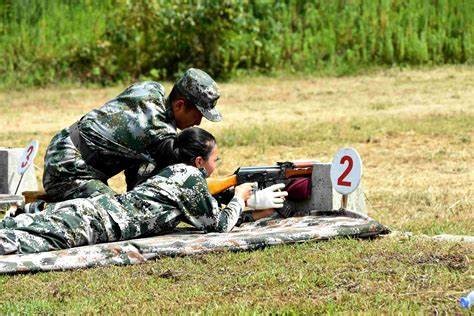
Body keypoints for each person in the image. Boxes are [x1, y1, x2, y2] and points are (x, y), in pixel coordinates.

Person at [0, 127, 287, 255]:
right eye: (215, 160)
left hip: (94, 211)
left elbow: (203, 213)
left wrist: (249, 207)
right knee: (20, 243)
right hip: (97, 222)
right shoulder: (188, 178)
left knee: (22, 225)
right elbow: (218, 226)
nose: (217, 164)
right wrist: (240, 198)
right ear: (199, 162)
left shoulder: (175, 172)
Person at [42, 68, 222, 202]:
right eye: (198, 114)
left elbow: (138, 165)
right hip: (69, 170)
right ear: (180, 105)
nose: (198, 122)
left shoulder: (150, 88)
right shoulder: (159, 132)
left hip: (62, 145)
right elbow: (182, 179)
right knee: (115, 214)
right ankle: (37, 211)